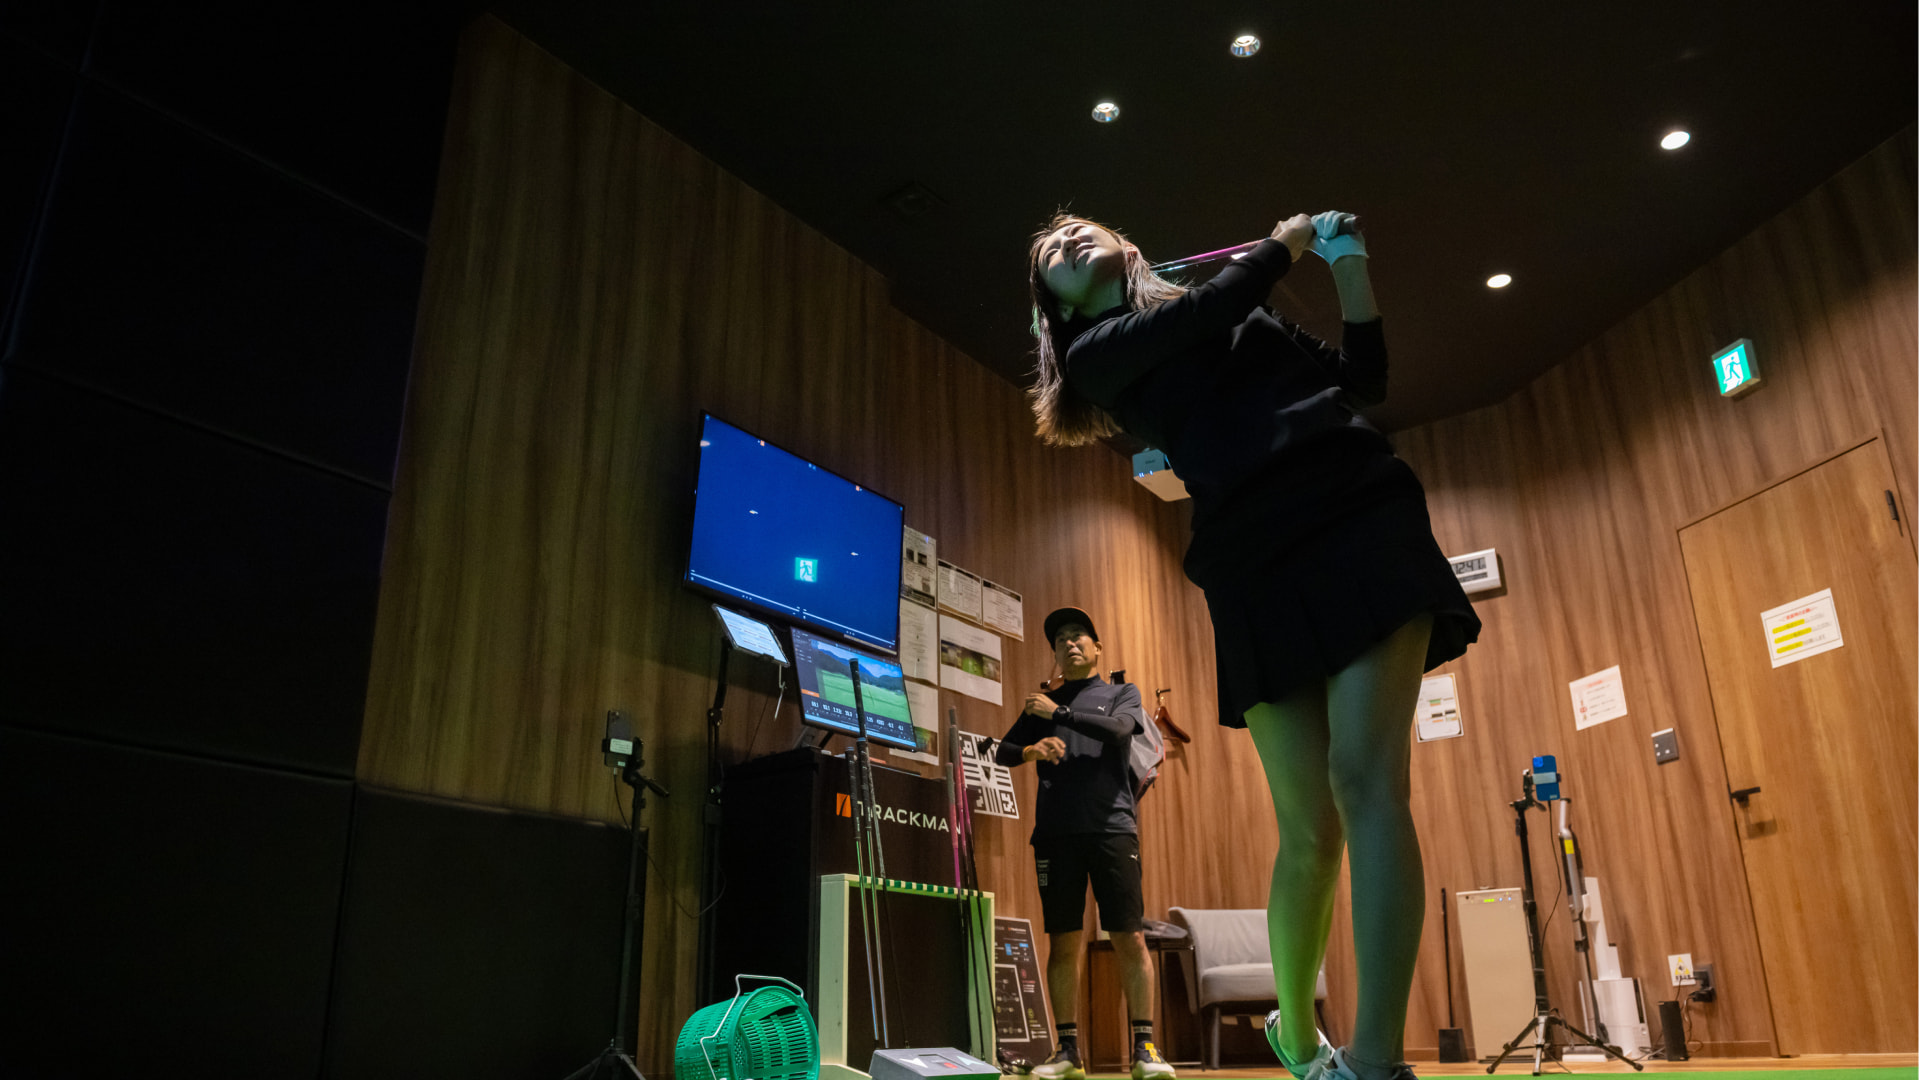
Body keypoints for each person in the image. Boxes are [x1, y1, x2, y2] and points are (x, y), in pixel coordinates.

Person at [1023, 212, 1480, 1080]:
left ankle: (1376, 1062)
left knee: (1366, 780)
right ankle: (1300, 1042)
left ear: (1119, 242)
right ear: (1056, 303)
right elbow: (1205, 314)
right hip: (1249, 560)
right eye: (1050, 255)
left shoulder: (1228, 305)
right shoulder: (1101, 352)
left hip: (1357, 510)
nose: (1065, 241)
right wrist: (1285, 243)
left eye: (1076, 230)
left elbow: (1363, 379)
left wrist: (1349, 264)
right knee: (1309, 827)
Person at [994, 606, 1172, 1080]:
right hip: (1055, 834)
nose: (1069, 644)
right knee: (1063, 941)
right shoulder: (1040, 702)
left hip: (1113, 828)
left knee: (1128, 936)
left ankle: (1145, 1048)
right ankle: (1067, 1051)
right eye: (1060, 640)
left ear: (1096, 648)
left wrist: (1062, 714)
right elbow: (1003, 750)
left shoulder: (1120, 694)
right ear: (1054, 653)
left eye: (1078, 636)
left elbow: (1119, 731)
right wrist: (1033, 748)